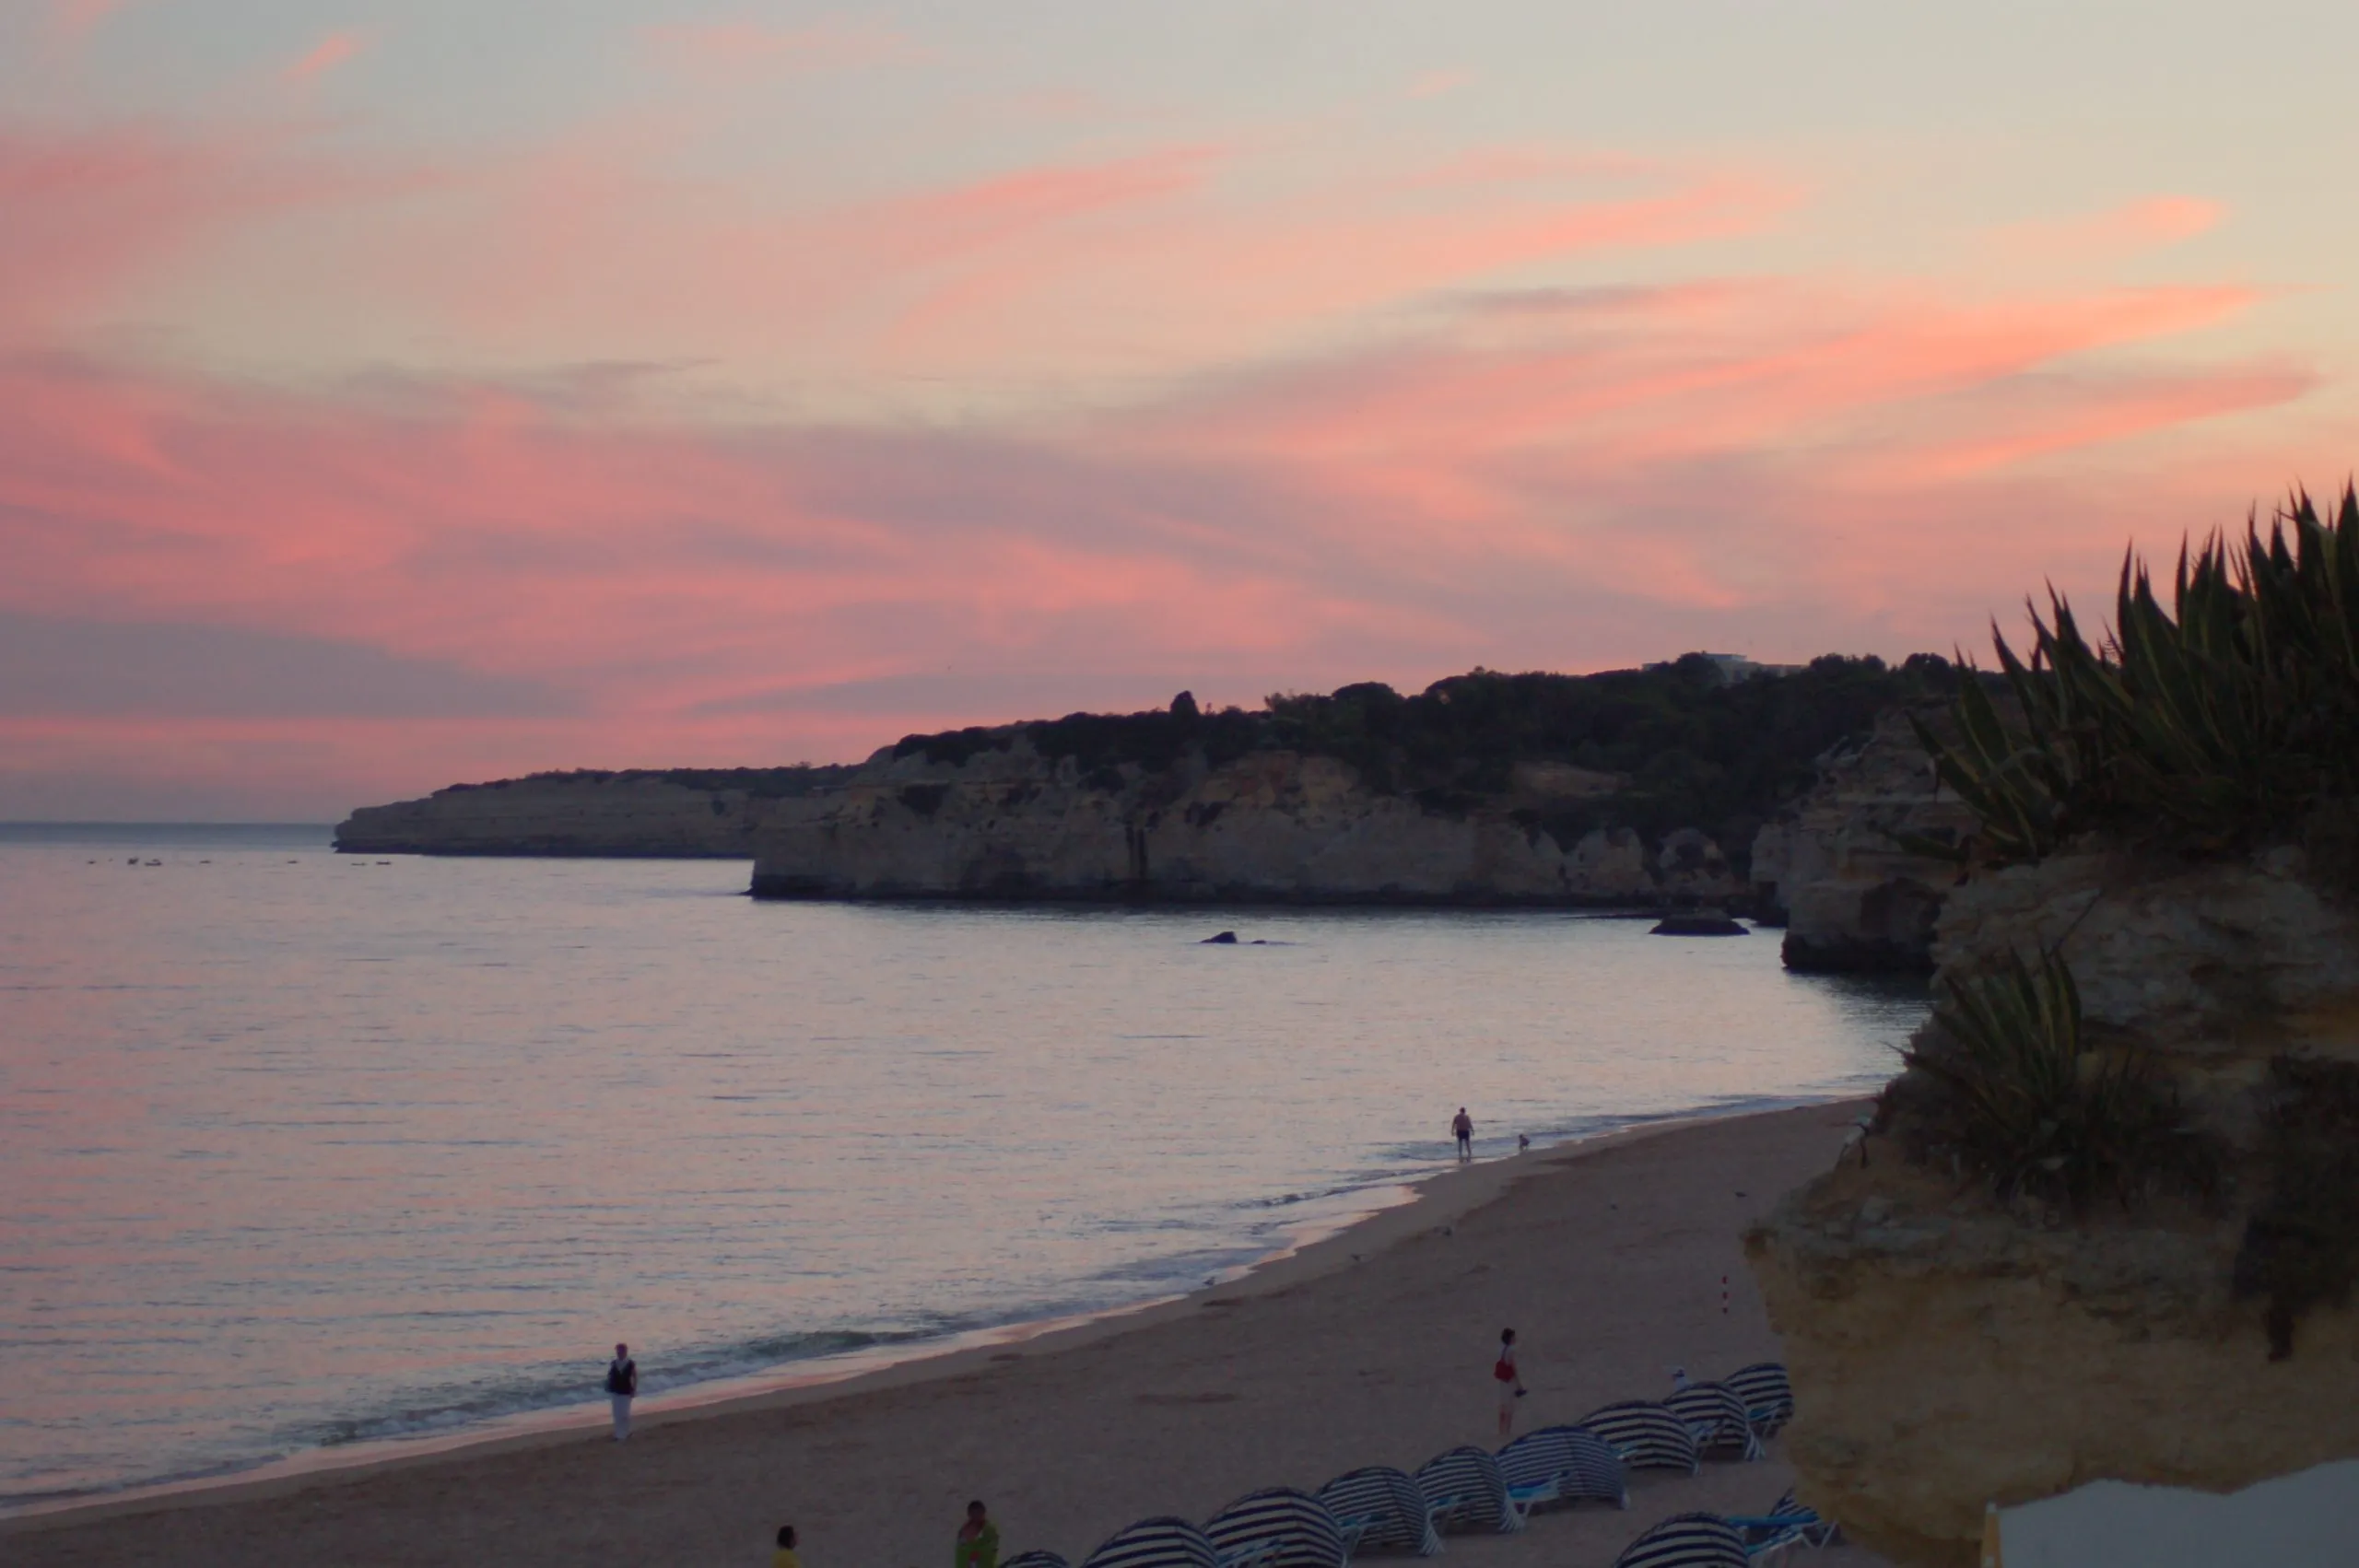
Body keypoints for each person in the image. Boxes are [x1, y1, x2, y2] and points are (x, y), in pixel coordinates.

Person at [1493, 1328, 1526, 1438]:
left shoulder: (1500, 1348)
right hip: (1509, 1379)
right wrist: (1519, 1384)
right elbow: (1513, 1367)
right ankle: (1507, 1430)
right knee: (1510, 1406)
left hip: (1502, 1380)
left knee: (1503, 1405)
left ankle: (1500, 1429)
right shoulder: (1511, 1350)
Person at [605, 1342, 638, 1442]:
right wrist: (607, 1385)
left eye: (621, 1351)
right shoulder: (614, 1363)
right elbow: (610, 1376)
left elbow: (635, 1376)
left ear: (625, 1352)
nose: (619, 1353)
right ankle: (618, 1434)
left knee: (625, 1413)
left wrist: (634, 1389)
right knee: (616, 1413)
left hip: (626, 1390)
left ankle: (626, 1432)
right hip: (615, 1390)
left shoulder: (630, 1363)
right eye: (618, 1351)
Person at [955, 1500, 999, 1568]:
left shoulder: (990, 1530)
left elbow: (991, 1546)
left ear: (983, 1513)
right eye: (974, 1514)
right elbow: (962, 1551)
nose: (976, 1516)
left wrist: (976, 1551)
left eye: (978, 1513)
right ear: (969, 1514)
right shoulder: (965, 1531)